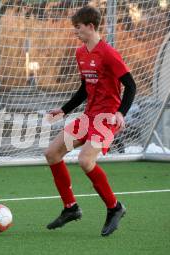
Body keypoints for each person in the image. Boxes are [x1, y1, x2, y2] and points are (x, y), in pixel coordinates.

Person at [44, 6, 136, 237]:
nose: (75, 31)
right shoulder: (81, 53)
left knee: (85, 160)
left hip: (107, 118)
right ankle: (70, 208)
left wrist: (121, 112)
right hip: (88, 116)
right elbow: (85, 88)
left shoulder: (108, 53)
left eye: (78, 27)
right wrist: (64, 110)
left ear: (91, 27)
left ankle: (114, 207)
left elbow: (131, 85)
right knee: (52, 153)